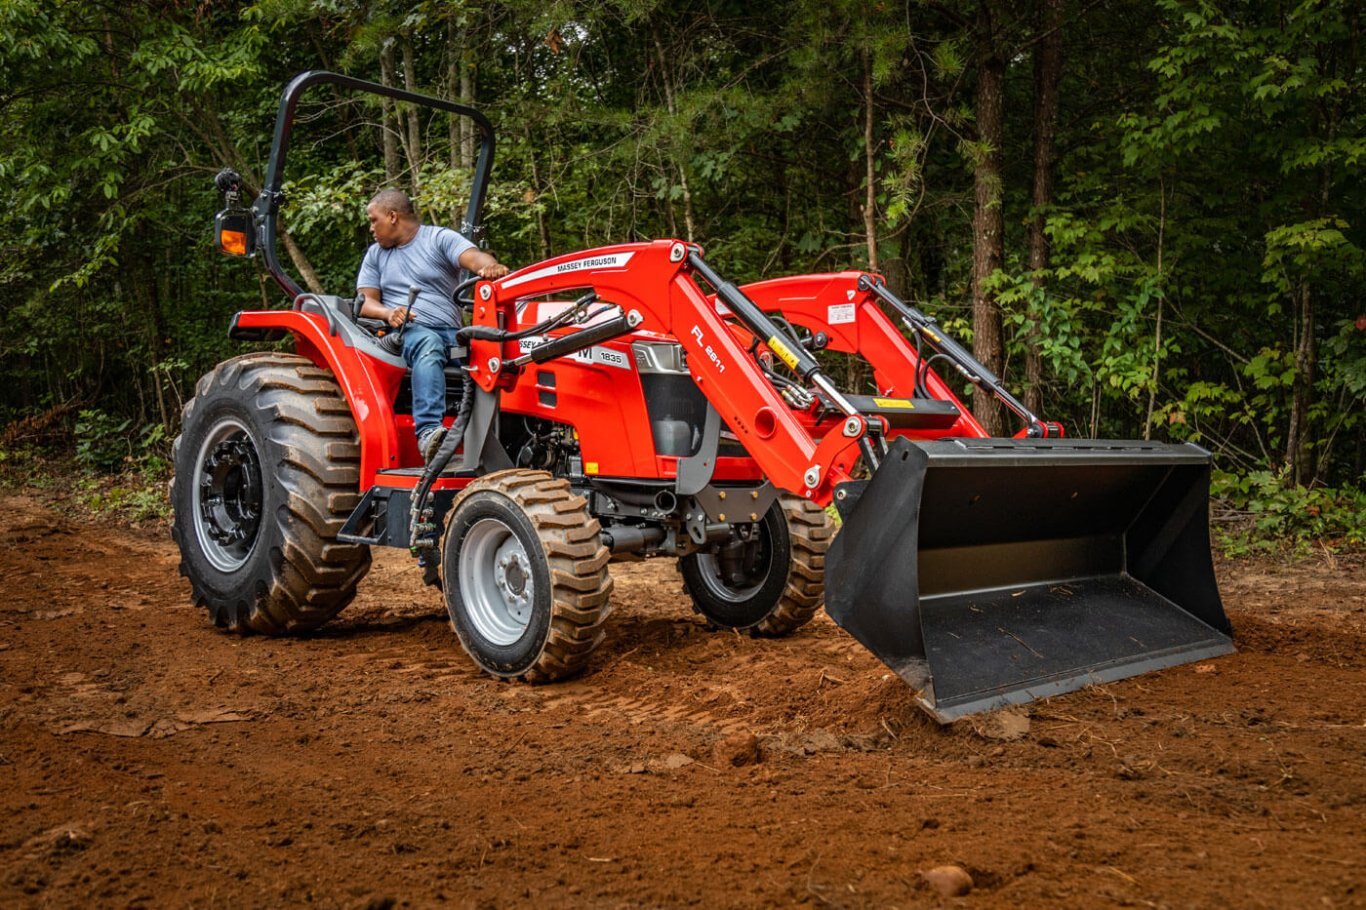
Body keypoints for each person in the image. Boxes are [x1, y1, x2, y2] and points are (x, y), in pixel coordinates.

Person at [356, 189, 508, 462]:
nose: (371, 228)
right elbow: (365, 301)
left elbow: (475, 258)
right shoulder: (376, 255)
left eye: (373, 220)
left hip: (452, 335)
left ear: (393, 216)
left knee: (496, 353)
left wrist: (490, 267)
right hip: (407, 333)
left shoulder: (438, 239)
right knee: (429, 343)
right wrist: (388, 313)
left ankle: (505, 442)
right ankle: (428, 433)